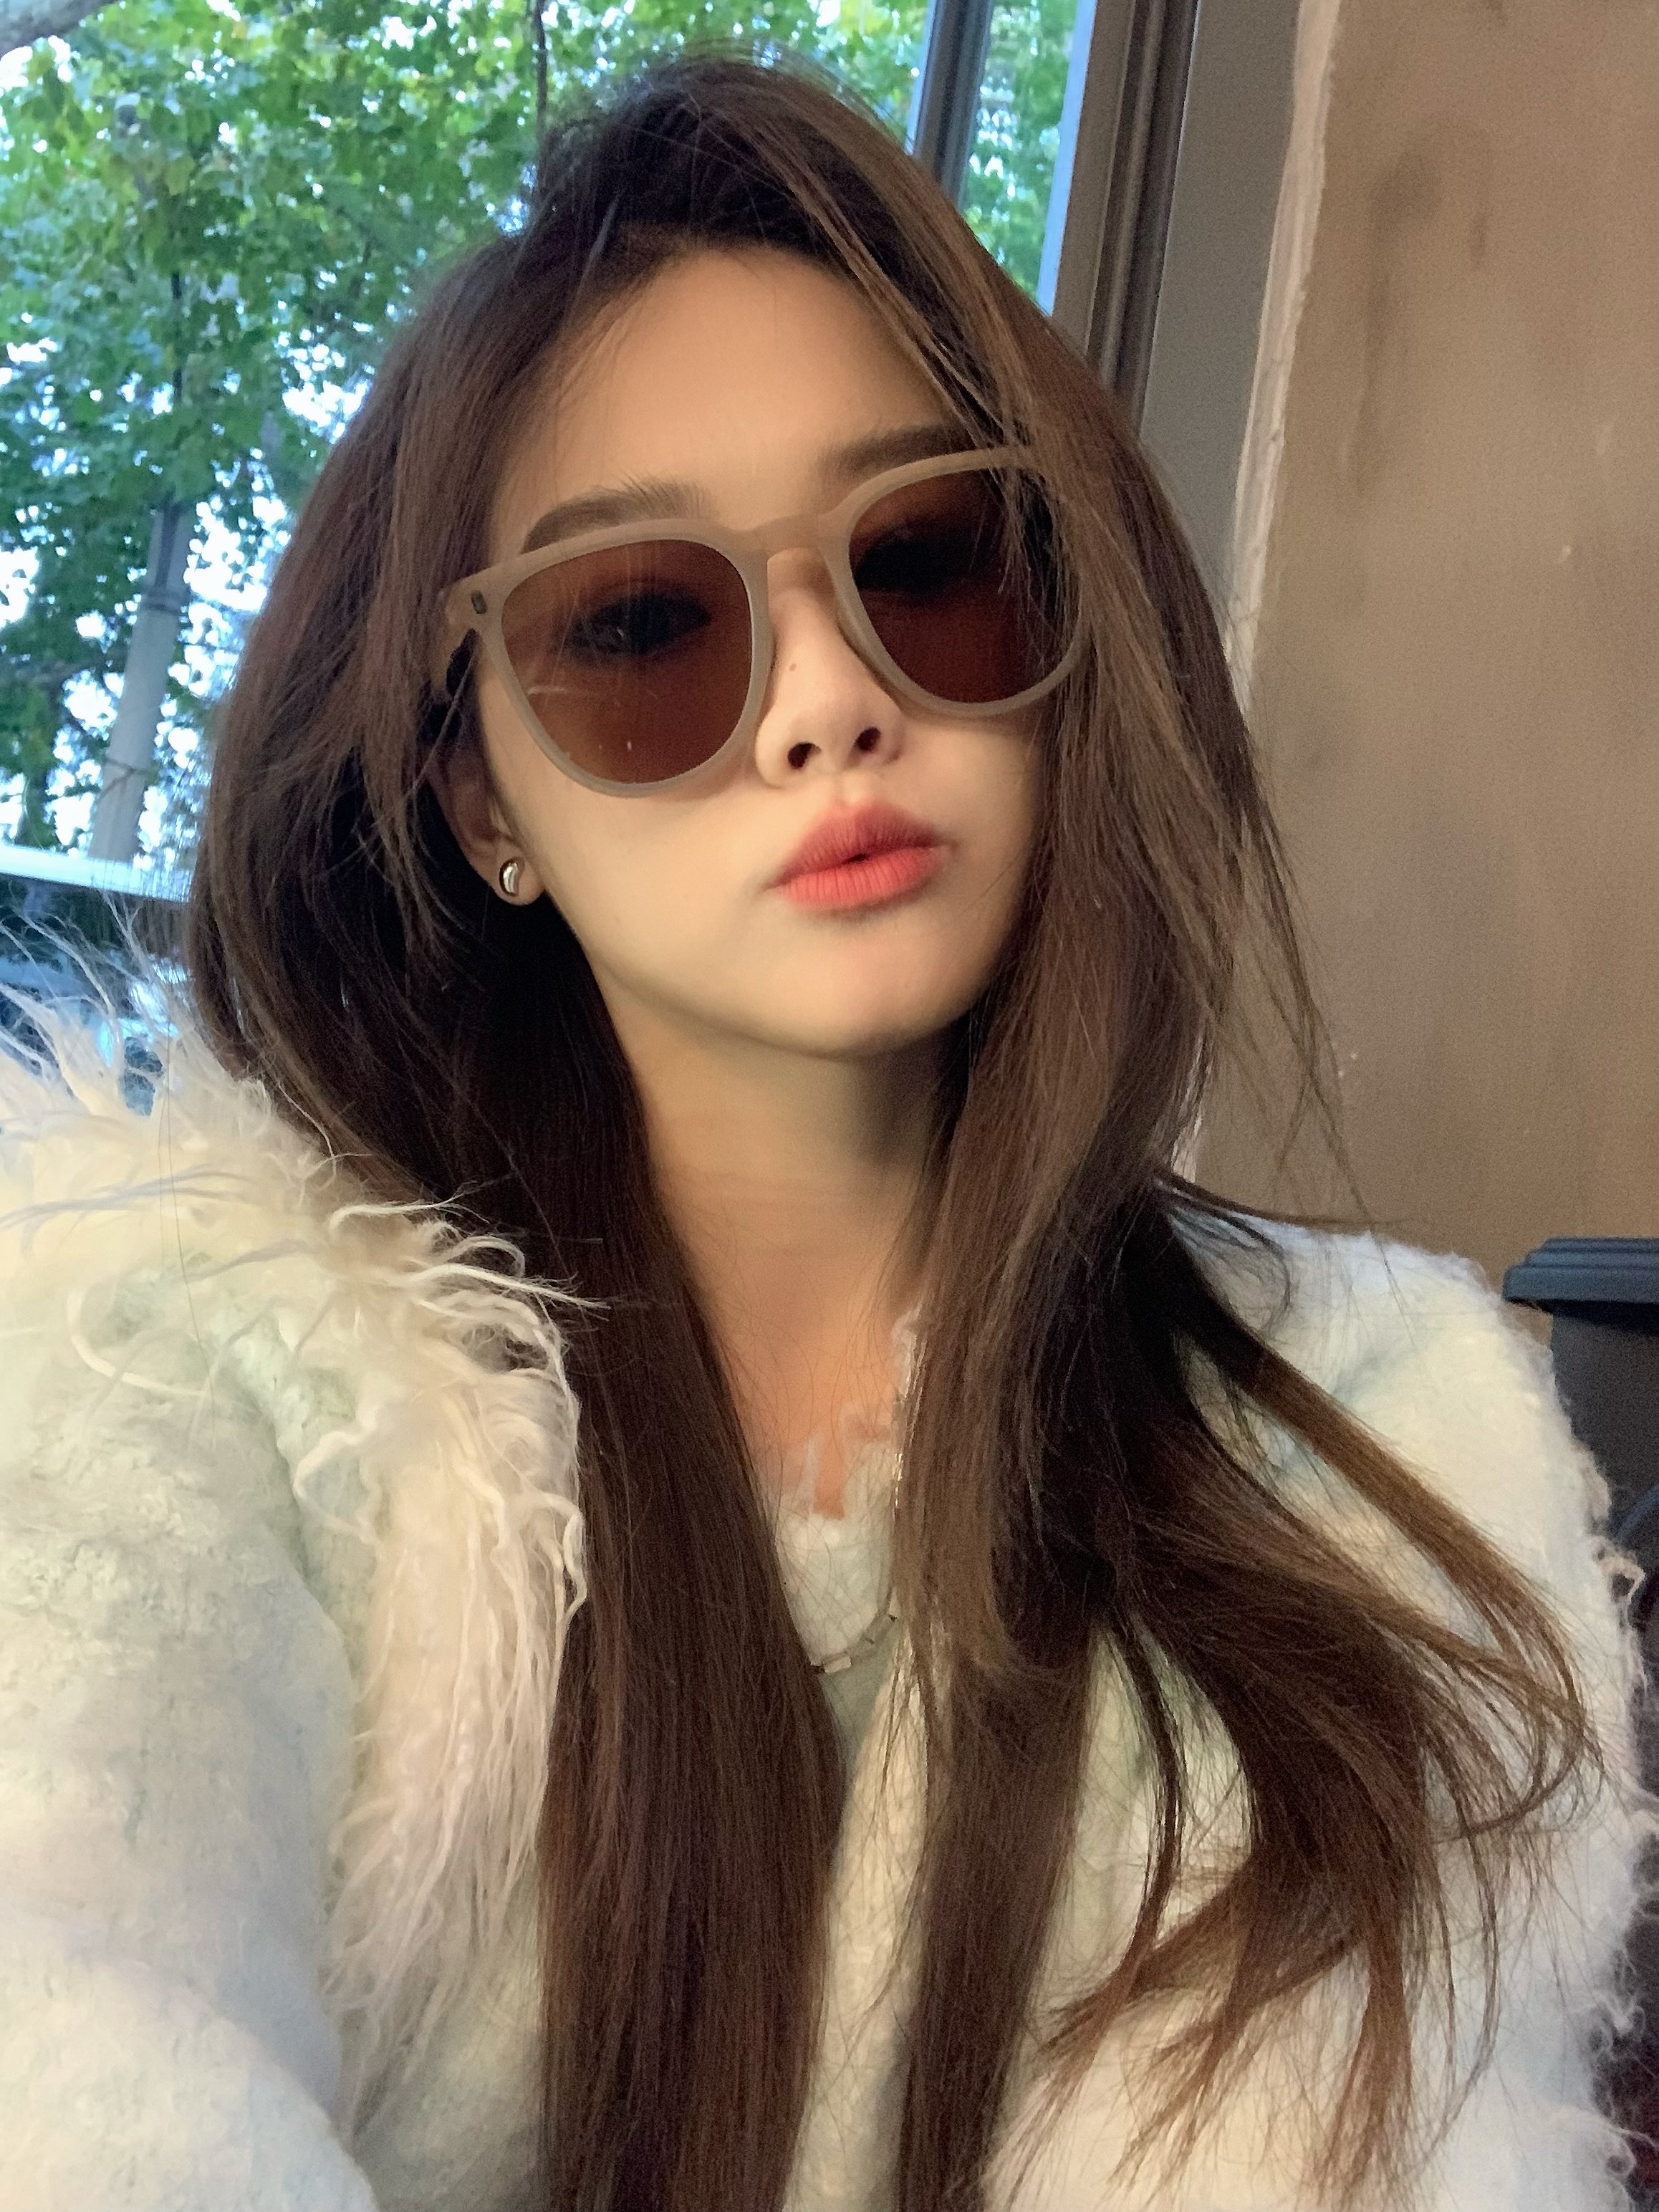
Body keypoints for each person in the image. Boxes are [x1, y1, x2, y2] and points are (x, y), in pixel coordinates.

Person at [0, 47, 1648, 2212]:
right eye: (640, 626)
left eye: (932, 560)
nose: (826, 701)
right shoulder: (183, 1362)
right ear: (477, 793)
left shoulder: (1376, 1430)